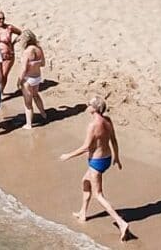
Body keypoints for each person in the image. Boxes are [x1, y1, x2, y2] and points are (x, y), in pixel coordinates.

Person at [59, 98, 129, 239]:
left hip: (96, 162)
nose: (87, 106)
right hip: (106, 159)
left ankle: (121, 223)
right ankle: (83, 213)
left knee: (99, 195)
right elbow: (114, 140)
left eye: (89, 104)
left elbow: (86, 147)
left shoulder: (92, 126)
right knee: (85, 181)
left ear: (95, 108)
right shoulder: (108, 120)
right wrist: (117, 157)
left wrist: (68, 155)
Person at [16, 30, 48, 128]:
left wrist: (19, 80)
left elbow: (24, 69)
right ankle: (43, 113)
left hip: (28, 79)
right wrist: (35, 64)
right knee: (36, 95)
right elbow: (43, 64)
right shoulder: (39, 49)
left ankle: (29, 124)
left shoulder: (27, 52)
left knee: (28, 103)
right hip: (37, 77)